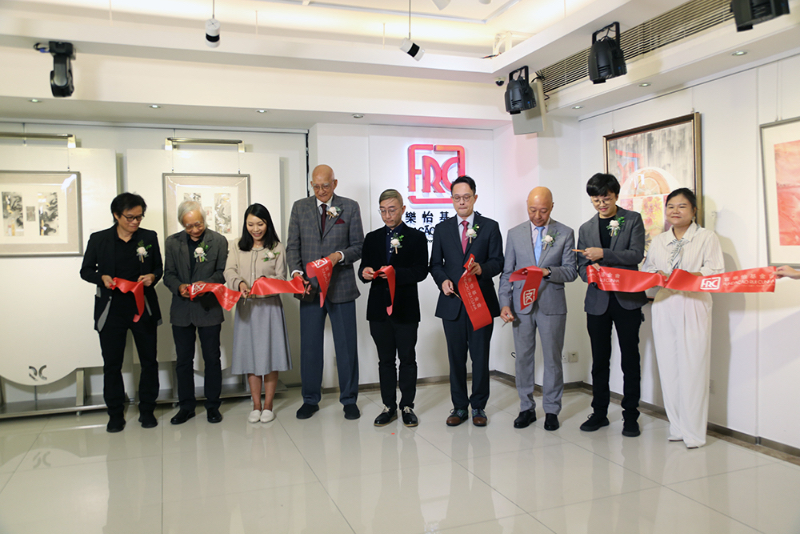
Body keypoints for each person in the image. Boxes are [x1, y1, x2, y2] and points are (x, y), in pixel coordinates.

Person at [642, 188, 723, 448]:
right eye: (671, 206)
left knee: (694, 366)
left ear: (694, 211)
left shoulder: (706, 237)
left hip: (694, 303)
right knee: (668, 367)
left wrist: (685, 277)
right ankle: (677, 426)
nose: (675, 211)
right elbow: (648, 271)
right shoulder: (659, 240)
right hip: (665, 303)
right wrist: (658, 276)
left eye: (682, 206)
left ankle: (694, 432)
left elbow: (715, 272)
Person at [286, 164, 365, 420]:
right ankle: (310, 399)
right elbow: (292, 247)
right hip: (309, 287)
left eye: (326, 186)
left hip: (341, 286)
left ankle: (349, 399)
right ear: (312, 184)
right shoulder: (299, 207)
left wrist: (338, 256)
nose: (321, 191)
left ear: (335, 183)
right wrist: (296, 274)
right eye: (316, 186)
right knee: (310, 347)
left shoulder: (349, 207)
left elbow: (358, 246)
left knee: (346, 347)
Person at [80, 193, 162, 433]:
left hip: (142, 308)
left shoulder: (148, 237)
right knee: (112, 364)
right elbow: (85, 270)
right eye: (130, 217)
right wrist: (101, 278)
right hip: (112, 310)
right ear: (116, 215)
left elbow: (158, 267)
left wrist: (153, 276)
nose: (135, 222)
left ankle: (147, 410)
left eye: (139, 217)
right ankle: (115, 413)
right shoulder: (99, 239)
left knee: (149, 361)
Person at [498, 187, 577, 431]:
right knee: (523, 358)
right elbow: (507, 273)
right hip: (521, 305)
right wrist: (504, 303)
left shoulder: (565, 232)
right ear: (527, 205)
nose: (537, 216)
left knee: (553, 359)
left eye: (543, 210)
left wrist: (547, 271)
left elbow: (571, 271)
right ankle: (526, 408)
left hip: (551, 305)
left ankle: (552, 410)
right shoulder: (514, 234)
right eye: (532, 210)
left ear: (552, 206)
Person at [576, 173, 647, 437]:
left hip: (627, 300)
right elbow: (581, 266)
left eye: (605, 198)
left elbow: (636, 255)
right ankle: (599, 413)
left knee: (630, 360)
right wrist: (590, 274)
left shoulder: (632, 220)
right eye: (596, 200)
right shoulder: (586, 228)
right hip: (598, 302)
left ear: (616, 195)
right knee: (599, 361)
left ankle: (631, 416)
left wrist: (604, 254)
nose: (601, 204)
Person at [430, 175, 504, 427]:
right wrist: (442, 281)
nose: (462, 202)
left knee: (480, 357)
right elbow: (435, 265)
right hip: (452, 303)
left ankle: (479, 406)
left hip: (480, 302)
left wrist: (482, 269)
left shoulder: (490, 227)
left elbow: (498, 262)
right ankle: (460, 407)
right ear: (451, 199)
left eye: (466, 197)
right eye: (457, 197)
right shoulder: (442, 229)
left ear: (475, 197)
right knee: (456, 358)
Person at [358, 189, 428, 427]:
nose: (387, 215)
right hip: (378, 309)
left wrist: (393, 273)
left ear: (403, 209)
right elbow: (363, 269)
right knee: (385, 360)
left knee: (407, 359)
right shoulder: (372, 238)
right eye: (383, 211)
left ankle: (407, 406)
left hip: (405, 308)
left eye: (392, 210)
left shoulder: (417, 237)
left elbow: (421, 271)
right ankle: (388, 406)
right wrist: (366, 273)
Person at [224, 204, 293, 423]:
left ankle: (268, 405)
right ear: (245, 225)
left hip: (270, 308)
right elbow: (229, 271)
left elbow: (282, 278)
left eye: (260, 224)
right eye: (251, 224)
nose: (255, 229)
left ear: (267, 223)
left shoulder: (277, 247)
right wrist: (240, 283)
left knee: (270, 356)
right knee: (250, 356)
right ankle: (255, 405)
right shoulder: (237, 246)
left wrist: (265, 284)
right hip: (247, 308)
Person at [163, 200, 228, 425]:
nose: (194, 230)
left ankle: (213, 406)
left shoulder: (218, 241)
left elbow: (222, 273)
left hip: (208, 307)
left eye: (198, 224)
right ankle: (186, 407)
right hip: (182, 309)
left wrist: (205, 285)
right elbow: (168, 274)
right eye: (188, 226)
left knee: (212, 358)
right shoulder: (172, 242)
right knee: (183, 360)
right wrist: (179, 286)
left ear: (204, 219)